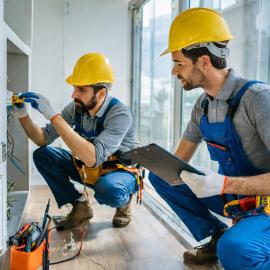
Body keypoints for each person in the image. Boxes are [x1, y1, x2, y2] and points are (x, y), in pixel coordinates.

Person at [149, 7, 270, 270]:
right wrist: (150, 160)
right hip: (235, 196)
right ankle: (218, 235)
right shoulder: (203, 105)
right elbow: (177, 163)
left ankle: (239, 241)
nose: (174, 72)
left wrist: (223, 183)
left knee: (236, 251)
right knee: (160, 176)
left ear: (204, 61)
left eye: (178, 63)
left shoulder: (258, 99)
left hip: (266, 205)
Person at [12, 52, 139, 230]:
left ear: (101, 93)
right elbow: (42, 139)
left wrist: (54, 115)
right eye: (74, 88)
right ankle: (80, 206)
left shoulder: (120, 114)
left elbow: (93, 157)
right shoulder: (77, 108)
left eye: (81, 90)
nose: (73, 95)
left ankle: (124, 202)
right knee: (43, 155)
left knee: (109, 191)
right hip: (89, 168)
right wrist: (23, 115)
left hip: (118, 171)